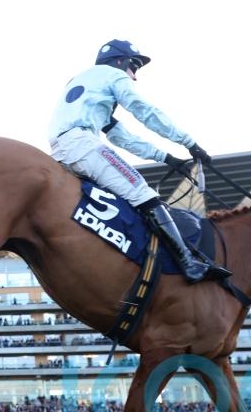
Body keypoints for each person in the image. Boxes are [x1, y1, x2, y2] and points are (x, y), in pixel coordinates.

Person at [46, 39, 230, 282]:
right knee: (144, 194)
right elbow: (145, 111)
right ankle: (189, 264)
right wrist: (189, 143)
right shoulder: (112, 74)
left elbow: (121, 137)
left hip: (62, 150)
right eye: (134, 66)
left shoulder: (88, 84)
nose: (134, 75)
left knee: (119, 203)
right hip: (82, 144)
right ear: (119, 62)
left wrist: (166, 157)